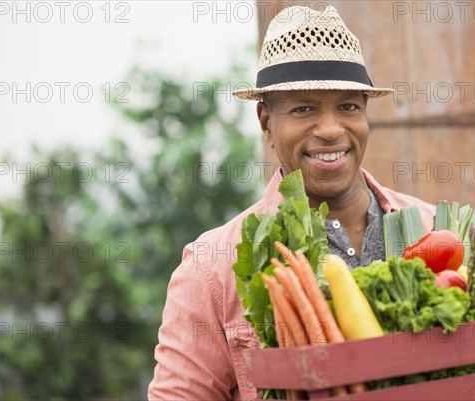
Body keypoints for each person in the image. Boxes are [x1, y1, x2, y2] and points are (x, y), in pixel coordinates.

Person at [148, 5, 435, 400]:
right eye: (304, 108)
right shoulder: (211, 267)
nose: (332, 129)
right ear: (267, 122)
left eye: (348, 106)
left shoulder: (431, 228)